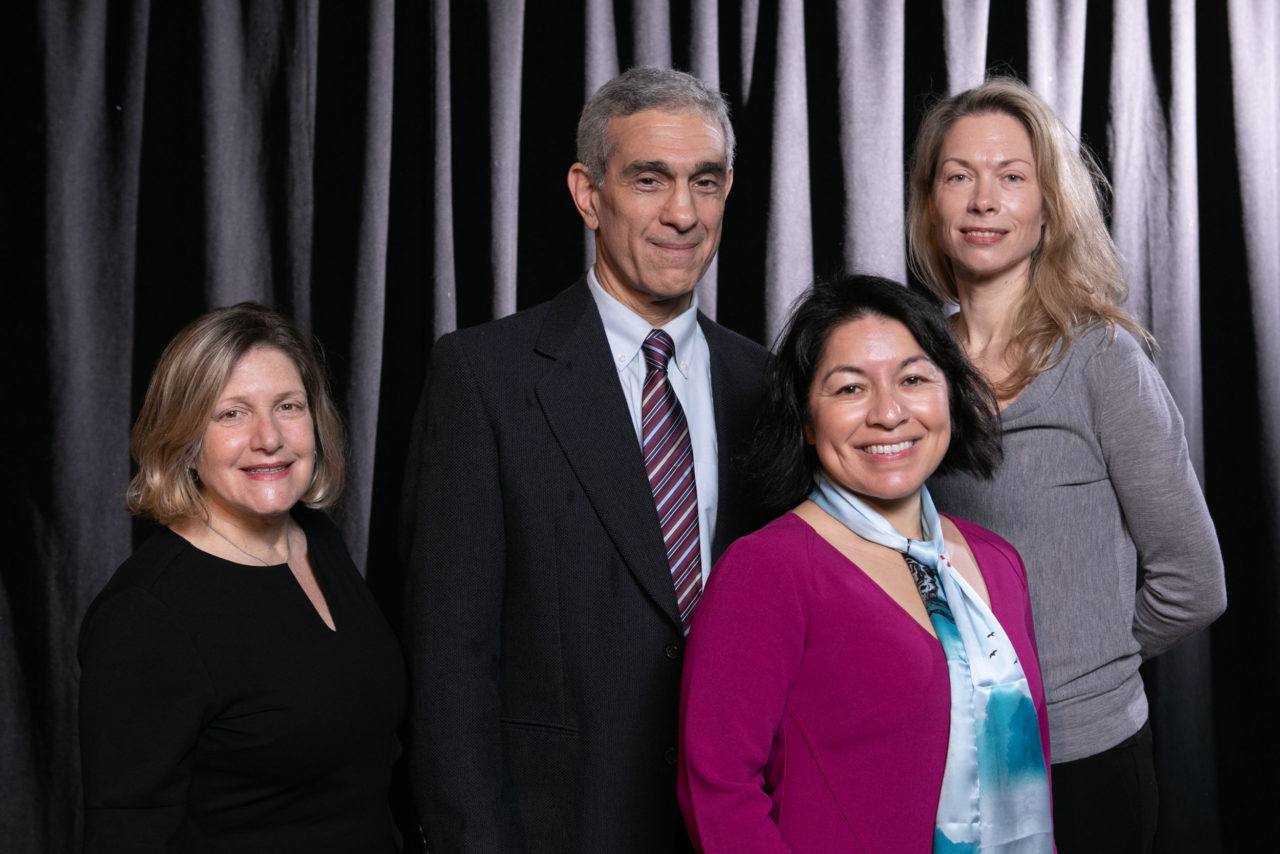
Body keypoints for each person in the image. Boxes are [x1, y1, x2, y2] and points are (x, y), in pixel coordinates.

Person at [400, 66, 768, 852]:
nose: (682, 212)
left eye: (705, 182)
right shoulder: (485, 378)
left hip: (736, 825)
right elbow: (450, 660)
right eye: (649, 179)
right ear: (587, 193)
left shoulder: (768, 385)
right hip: (560, 826)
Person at [907, 77, 1227, 852]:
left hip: (1082, 761)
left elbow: (1193, 582)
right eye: (959, 176)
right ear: (931, 204)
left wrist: (1078, 675)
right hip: (938, 757)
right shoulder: (903, 364)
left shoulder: (1102, 360)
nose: (984, 200)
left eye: (1012, 177)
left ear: (1048, 205)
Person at [678, 274, 1053, 851]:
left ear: (949, 392)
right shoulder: (766, 571)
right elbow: (717, 792)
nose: (889, 413)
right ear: (805, 419)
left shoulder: (996, 563)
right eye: (851, 389)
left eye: (912, 379)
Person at [78, 303, 406, 852]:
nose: (269, 437)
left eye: (288, 406)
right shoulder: (146, 614)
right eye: (231, 414)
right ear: (184, 439)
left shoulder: (317, 541)